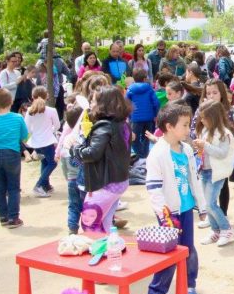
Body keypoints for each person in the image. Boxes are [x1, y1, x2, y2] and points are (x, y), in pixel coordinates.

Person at [145, 103, 207, 294]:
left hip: (186, 208)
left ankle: (189, 284)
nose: (188, 129)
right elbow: (154, 189)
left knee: (188, 248)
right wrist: (165, 216)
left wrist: (202, 206)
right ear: (169, 126)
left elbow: (194, 180)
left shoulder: (187, 149)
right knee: (170, 252)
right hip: (169, 213)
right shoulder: (157, 154)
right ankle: (155, 293)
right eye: (185, 124)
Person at [72, 86, 132, 233]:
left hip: (105, 183)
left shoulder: (104, 125)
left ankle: (99, 253)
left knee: (89, 223)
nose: (91, 104)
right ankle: (109, 250)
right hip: (119, 181)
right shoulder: (122, 124)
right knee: (105, 222)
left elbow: (92, 153)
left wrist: (75, 149)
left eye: (93, 101)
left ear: (103, 104)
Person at [0, 88, 28, 228]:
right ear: (11, 101)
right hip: (12, 154)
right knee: (14, 187)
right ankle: (13, 218)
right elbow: (24, 136)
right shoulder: (18, 118)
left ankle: (3, 216)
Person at [191, 101, 234, 246]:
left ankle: (226, 229)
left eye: (204, 117)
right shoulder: (204, 130)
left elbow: (222, 153)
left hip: (217, 173)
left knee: (210, 203)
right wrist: (199, 148)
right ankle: (215, 231)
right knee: (206, 203)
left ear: (213, 117)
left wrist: (206, 146)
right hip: (205, 170)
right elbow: (204, 151)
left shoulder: (224, 133)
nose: (202, 120)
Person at [24, 86, 61, 198]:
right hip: (47, 141)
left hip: (36, 142)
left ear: (32, 97)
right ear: (46, 96)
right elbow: (57, 125)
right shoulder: (51, 110)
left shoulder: (29, 111)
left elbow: (27, 129)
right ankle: (39, 185)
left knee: (45, 162)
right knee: (52, 163)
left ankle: (46, 184)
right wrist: (50, 130)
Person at [56, 104, 85, 234]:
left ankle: (72, 228)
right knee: (87, 205)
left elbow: (63, 163)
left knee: (73, 205)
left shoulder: (67, 140)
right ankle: (88, 227)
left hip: (71, 180)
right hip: (84, 181)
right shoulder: (83, 138)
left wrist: (67, 177)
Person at [127, 68, 160, 161]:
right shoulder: (149, 89)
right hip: (149, 118)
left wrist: (129, 116)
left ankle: (140, 155)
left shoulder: (130, 89)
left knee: (134, 138)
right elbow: (156, 103)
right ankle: (145, 154)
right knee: (147, 136)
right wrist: (155, 114)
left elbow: (126, 103)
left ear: (133, 78)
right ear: (145, 79)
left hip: (135, 118)